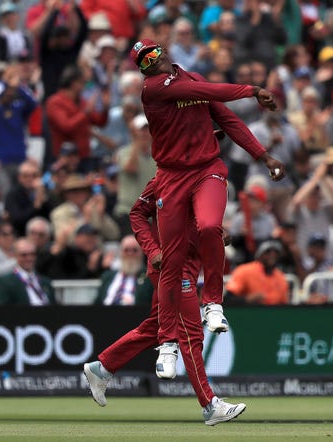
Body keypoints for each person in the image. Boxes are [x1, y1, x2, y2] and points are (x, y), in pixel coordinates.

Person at [129, 38, 284, 377]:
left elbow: (228, 121)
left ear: (163, 52)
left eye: (153, 54)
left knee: (211, 227)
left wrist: (263, 156)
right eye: (143, 62)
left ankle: (213, 302)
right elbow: (217, 92)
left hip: (206, 169)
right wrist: (253, 90)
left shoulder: (193, 81)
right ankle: (167, 345)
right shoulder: (154, 88)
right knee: (171, 264)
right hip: (171, 178)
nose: (151, 63)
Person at [83, 177, 246, 425]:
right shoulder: (166, 177)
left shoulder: (206, 177)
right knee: (191, 332)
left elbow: (197, 221)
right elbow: (137, 213)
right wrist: (152, 250)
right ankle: (209, 404)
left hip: (191, 264)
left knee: (157, 327)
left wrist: (215, 234)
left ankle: (102, 367)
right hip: (169, 266)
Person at [0, 237, 56, 306]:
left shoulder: (46, 282)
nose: (29, 258)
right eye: (24, 255)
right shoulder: (5, 283)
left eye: (32, 254)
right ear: (15, 255)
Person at [225, 239, 289, 305]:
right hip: (248, 312)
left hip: (273, 314)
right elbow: (228, 299)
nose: (272, 255)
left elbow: (284, 305)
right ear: (259, 254)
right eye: (267, 251)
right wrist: (247, 299)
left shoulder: (280, 277)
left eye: (276, 252)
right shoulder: (244, 271)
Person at [96, 235, 153, 306]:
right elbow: (96, 303)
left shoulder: (149, 277)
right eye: (126, 250)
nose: (130, 253)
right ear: (120, 253)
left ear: (142, 253)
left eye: (134, 250)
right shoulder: (107, 276)